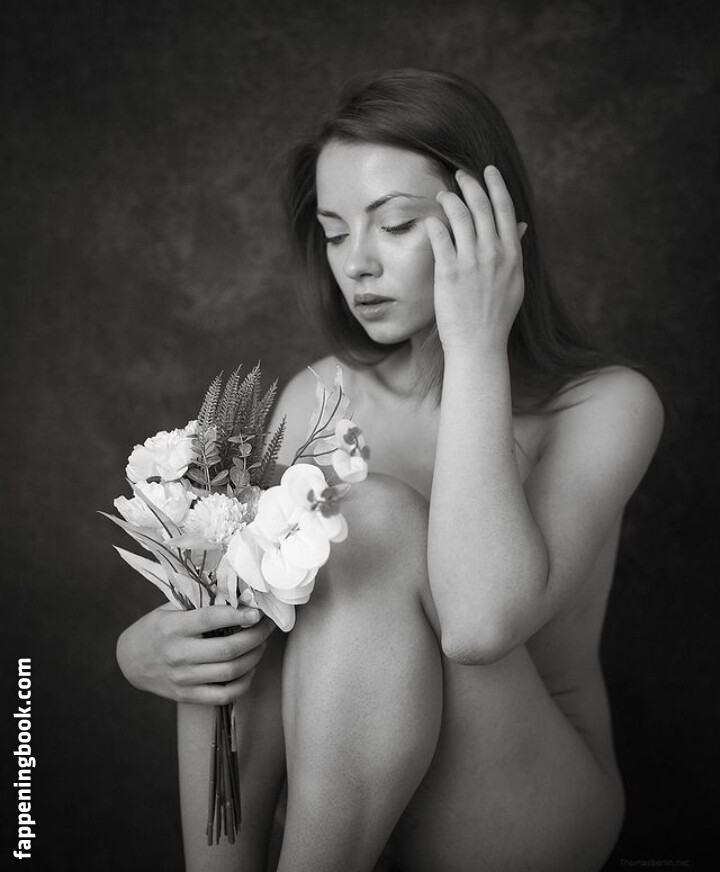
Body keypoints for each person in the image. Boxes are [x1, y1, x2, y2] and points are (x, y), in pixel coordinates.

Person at [116, 69, 664, 872]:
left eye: (396, 224)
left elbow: (477, 627)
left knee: (368, 522)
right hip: (344, 788)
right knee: (235, 590)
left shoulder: (607, 404)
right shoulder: (317, 396)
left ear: (492, 225)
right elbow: (242, 624)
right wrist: (147, 649)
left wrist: (474, 347)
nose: (358, 265)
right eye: (335, 234)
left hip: (523, 796)